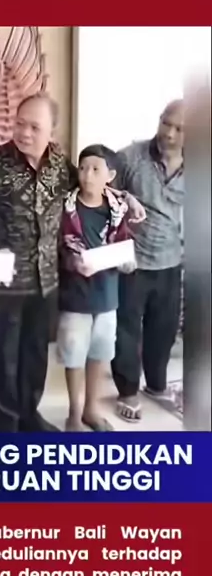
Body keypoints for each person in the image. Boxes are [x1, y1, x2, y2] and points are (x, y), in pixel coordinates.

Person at [0, 93, 146, 432]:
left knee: (36, 353)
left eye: (34, 127)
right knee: (5, 356)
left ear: (51, 130)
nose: (24, 133)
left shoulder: (59, 164)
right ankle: (6, 424)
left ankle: (29, 415)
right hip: (6, 280)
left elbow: (92, 187)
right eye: (19, 124)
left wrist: (128, 198)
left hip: (48, 279)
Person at [112, 99, 185, 423]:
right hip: (132, 262)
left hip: (171, 261)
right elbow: (101, 194)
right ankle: (127, 391)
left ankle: (156, 385)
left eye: (180, 129)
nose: (169, 133)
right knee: (126, 330)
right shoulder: (130, 158)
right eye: (166, 123)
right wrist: (125, 200)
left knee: (163, 330)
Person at [57, 145, 136, 432]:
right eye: (82, 168)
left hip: (107, 296)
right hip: (75, 296)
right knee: (74, 355)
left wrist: (126, 260)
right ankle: (74, 414)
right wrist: (72, 262)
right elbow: (57, 247)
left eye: (95, 169)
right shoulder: (66, 206)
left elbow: (125, 244)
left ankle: (92, 408)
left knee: (99, 353)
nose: (87, 175)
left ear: (110, 175)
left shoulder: (118, 209)